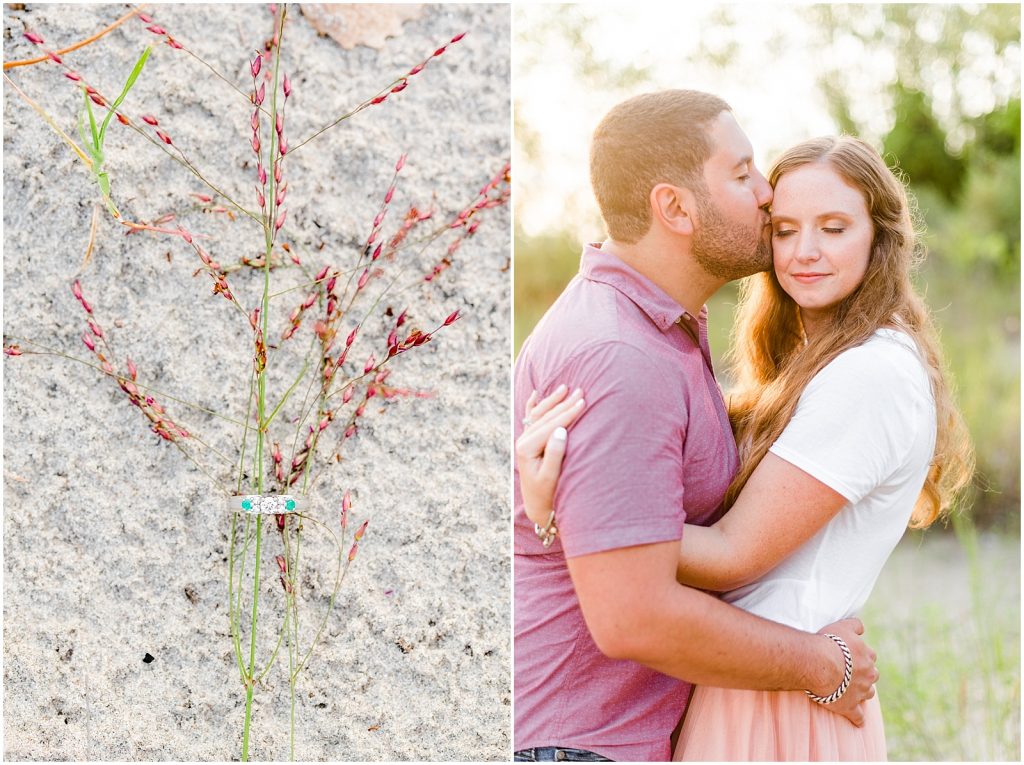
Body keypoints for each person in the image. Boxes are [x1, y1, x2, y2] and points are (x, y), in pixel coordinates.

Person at [517, 133, 975, 760]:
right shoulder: (806, 366)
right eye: (785, 230)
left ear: (880, 236)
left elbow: (734, 553)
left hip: (783, 694)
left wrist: (575, 518)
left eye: (835, 228)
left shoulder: (871, 372)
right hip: (758, 677)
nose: (805, 252)